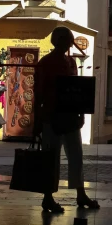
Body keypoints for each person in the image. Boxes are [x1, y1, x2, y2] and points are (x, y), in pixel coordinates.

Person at [33, 26, 100, 214]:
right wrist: (37, 120)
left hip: (69, 116)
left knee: (76, 157)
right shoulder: (45, 63)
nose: (68, 43)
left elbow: (78, 90)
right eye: (65, 39)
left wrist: (81, 114)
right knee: (51, 159)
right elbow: (38, 93)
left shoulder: (71, 62)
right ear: (56, 41)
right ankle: (48, 197)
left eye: (69, 39)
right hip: (51, 116)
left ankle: (80, 194)